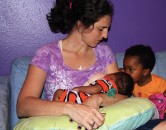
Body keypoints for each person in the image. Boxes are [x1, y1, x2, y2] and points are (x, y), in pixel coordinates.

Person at [16, 0, 128, 130]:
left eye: (107, 29)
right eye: (101, 28)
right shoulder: (47, 54)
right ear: (81, 24)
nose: (105, 35)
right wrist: (71, 109)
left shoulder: (104, 53)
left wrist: (99, 99)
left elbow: (121, 96)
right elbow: (23, 106)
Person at [123, 44, 166, 120]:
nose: (126, 72)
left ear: (145, 71)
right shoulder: (131, 84)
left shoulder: (158, 82)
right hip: (148, 115)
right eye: (124, 68)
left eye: (131, 69)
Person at [53, 72, 134, 103]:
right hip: (88, 103)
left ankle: (55, 110)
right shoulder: (112, 93)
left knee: (59, 93)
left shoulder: (106, 83)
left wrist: (79, 88)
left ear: (112, 77)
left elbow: (94, 89)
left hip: (82, 99)